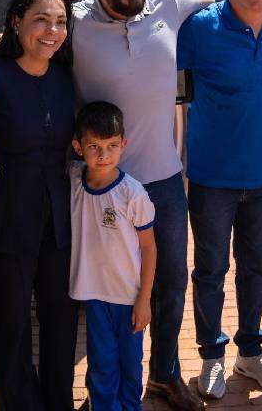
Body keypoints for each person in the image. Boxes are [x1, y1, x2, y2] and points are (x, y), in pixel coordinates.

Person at [70, 0, 262, 411]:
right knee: (107, 290)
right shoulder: (71, 22)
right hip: (101, 184)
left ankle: (163, 375)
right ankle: (105, 387)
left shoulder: (169, 3)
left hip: (163, 180)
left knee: (170, 286)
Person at [175, 0, 262, 399]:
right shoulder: (200, 28)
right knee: (209, 270)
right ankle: (211, 356)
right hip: (211, 177)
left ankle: (251, 351)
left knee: (255, 269)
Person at [0, 0, 78, 411]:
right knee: (13, 323)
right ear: (16, 21)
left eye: (60, 21)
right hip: (8, 219)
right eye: (41, 19)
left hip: (59, 222)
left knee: (62, 319)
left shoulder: (65, 76)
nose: (52, 31)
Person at [69, 101, 157, 411]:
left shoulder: (133, 194)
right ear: (78, 147)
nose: (103, 154)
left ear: (124, 145)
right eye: (94, 146)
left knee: (130, 365)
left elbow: (149, 247)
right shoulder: (74, 180)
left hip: (129, 298)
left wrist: (144, 299)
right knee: (102, 365)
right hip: (94, 296)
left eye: (111, 145)